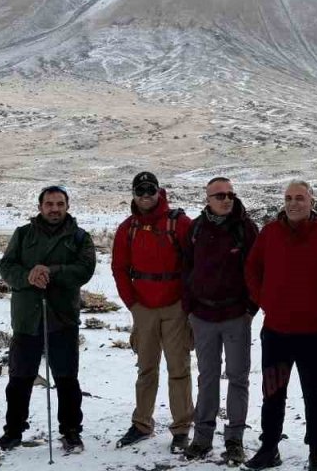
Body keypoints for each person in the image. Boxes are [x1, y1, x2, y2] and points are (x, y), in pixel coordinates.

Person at [244, 180, 317, 471]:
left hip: (313, 332)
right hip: (276, 331)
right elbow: (252, 268)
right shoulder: (270, 233)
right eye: (288, 198)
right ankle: (269, 447)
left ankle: (316, 451)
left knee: (316, 393)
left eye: (299, 198)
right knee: (273, 392)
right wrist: (263, 299)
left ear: (311, 201)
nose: (293, 203)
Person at [0, 185, 97, 453]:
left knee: (66, 379)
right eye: (49, 204)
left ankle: (71, 431)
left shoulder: (79, 237)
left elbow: (85, 270)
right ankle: (13, 431)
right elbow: (6, 266)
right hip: (27, 318)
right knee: (19, 378)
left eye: (60, 204)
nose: (55, 209)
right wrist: (28, 276)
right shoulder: (23, 234)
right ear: (40, 207)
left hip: (62, 317)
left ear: (67, 206)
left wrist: (50, 271)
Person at [112, 171, 195, 452]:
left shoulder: (179, 223)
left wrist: (187, 302)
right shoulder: (128, 229)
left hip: (175, 307)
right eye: (140, 190)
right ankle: (142, 423)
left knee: (178, 369)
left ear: (159, 191)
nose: (145, 195)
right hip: (143, 308)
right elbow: (119, 269)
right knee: (146, 368)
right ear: (133, 194)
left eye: (150, 189)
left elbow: (195, 263)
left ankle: (182, 427)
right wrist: (132, 304)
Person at [181, 177, 260, 464]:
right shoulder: (197, 229)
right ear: (208, 199)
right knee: (207, 378)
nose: (227, 199)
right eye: (220, 195)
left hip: (236, 315)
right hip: (203, 316)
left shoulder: (246, 228)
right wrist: (189, 307)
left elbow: (257, 268)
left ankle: (234, 438)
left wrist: (251, 307)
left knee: (238, 378)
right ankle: (202, 438)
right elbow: (186, 267)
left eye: (230, 194)